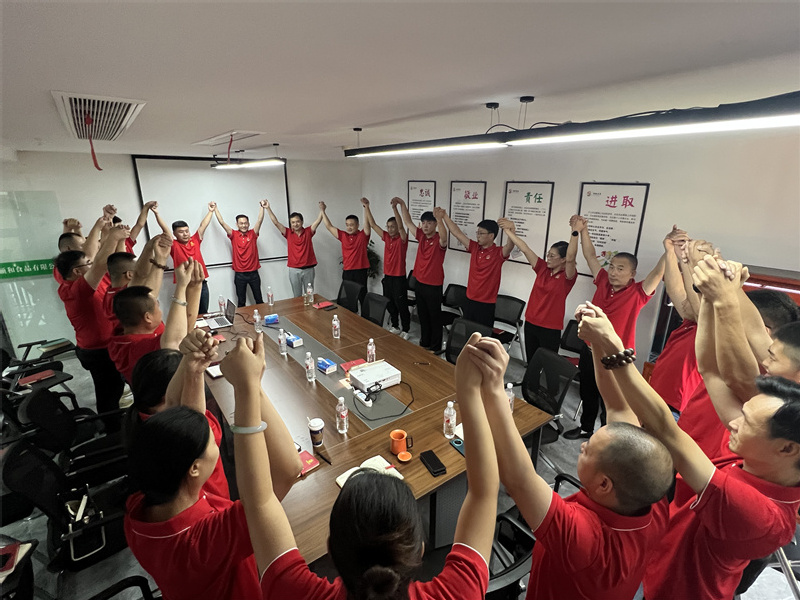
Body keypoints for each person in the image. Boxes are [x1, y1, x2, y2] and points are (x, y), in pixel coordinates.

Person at [222, 331, 498, 600]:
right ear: (421, 551)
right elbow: (483, 493)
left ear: (330, 552)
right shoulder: (458, 593)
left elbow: (259, 502)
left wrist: (248, 386)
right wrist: (469, 390)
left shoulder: (293, 592)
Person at [578, 298, 800, 600]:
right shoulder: (762, 460)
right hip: (658, 568)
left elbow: (665, 427)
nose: (733, 423)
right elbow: (709, 370)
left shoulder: (758, 513)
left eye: (745, 421)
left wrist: (614, 347)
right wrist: (710, 298)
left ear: (787, 449)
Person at [470, 335, 672, 600]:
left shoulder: (587, 541)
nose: (582, 446)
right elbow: (617, 406)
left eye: (588, 450)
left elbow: (519, 479)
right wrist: (596, 343)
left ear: (603, 484)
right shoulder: (652, 500)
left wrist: (494, 389)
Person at [124, 336, 302, 600]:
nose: (213, 431)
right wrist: (250, 386)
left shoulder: (145, 505)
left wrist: (193, 367)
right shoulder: (206, 540)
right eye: (210, 438)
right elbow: (288, 470)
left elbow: (179, 411)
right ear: (194, 468)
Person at [563, 216, 667, 440]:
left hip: (616, 355)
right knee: (588, 390)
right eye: (611, 266)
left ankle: (608, 435)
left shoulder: (638, 293)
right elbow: (590, 256)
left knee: (611, 399)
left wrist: (669, 250)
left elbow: (658, 273)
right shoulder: (602, 280)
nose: (613, 272)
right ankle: (586, 428)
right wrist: (583, 230)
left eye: (620, 269)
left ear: (632, 274)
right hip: (590, 349)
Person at [127, 330, 230, 499]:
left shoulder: (149, 423)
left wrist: (190, 365)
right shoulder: (182, 435)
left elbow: (180, 406)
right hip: (215, 500)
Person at [54, 223, 130, 420]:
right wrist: (113, 236)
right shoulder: (77, 290)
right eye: (87, 262)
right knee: (109, 394)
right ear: (76, 271)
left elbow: (109, 261)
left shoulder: (80, 283)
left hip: (104, 346)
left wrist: (116, 238)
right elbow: (100, 263)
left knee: (115, 387)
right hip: (98, 352)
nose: (91, 263)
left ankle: (115, 423)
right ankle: (112, 430)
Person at [108, 259, 202, 383]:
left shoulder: (126, 328)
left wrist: (195, 287)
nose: (161, 311)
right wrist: (181, 286)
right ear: (148, 317)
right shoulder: (136, 348)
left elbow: (184, 331)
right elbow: (176, 341)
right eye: (158, 305)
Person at [497, 217, 578, 360]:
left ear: (563, 259)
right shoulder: (542, 268)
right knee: (532, 361)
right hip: (531, 323)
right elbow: (525, 248)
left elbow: (571, 258)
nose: (548, 258)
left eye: (552, 256)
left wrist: (575, 232)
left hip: (550, 328)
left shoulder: (567, 276)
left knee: (547, 364)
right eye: (548, 254)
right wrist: (508, 231)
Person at [647, 226, 702, 418]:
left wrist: (686, 259)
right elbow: (676, 289)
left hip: (675, 408)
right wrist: (672, 253)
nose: (690, 300)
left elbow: (693, 297)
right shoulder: (691, 322)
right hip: (658, 396)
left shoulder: (713, 328)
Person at [440, 211, 515, 327]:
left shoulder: (498, 253)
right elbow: (457, 232)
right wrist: (444, 216)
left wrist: (511, 229)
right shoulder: (475, 247)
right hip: (469, 300)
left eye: (481, 233)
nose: (478, 236)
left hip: (486, 304)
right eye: (477, 233)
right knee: (468, 333)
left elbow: (510, 246)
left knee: (482, 335)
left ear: (491, 236)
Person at [397, 200, 448, 351]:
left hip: (433, 285)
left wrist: (440, 219)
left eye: (429, 223)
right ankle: (424, 343)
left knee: (434, 317)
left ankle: (435, 347)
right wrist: (402, 204)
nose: (425, 226)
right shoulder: (421, 236)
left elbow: (445, 237)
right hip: (419, 283)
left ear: (435, 225)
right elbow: (408, 222)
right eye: (424, 222)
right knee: (423, 316)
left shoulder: (439, 240)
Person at [153, 202, 216, 313]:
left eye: (187, 231)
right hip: (186, 285)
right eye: (181, 232)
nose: (185, 234)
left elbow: (203, 225)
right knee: (190, 313)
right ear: (175, 234)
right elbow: (165, 229)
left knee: (203, 312)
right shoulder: (174, 245)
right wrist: (157, 214)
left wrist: (210, 211)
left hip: (201, 283)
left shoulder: (195, 240)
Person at [363, 197, 410, 337]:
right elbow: (372, 224)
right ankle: (395, 325)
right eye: (388, 226)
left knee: (401, 305)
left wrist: (395, 208)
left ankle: (406, 329)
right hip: (388, 277)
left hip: (399, 278)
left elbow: (401, 227)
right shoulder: (386, 237)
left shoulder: (402, 239)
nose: (390, 229)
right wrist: (367, 206)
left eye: (392, 227)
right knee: (390, 303)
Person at [262, 198, 324, 297]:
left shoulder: (308, 232)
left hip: (308, 269)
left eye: (298, 221)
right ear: (291, 224)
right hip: (294, 270)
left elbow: (318, 221)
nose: (295, 224)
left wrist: (322, 210)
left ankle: (309, 308)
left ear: (302, 222)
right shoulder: (288, 233)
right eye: (293, 222)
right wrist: (268, 208)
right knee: (297, 296)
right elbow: (276, 222)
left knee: (309, 296)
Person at [213, 202, 266, 307]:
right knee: (241, 302)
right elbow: (222, 222)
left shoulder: (253, 234)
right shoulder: (234, 234)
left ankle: (263, 316)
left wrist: (262, 207)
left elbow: (259, 220)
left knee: (259, 300)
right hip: (240, 275)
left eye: (245, 223)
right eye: (241, 223)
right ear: (237, 224)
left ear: (248, 224)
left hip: (254, 274)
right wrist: (215, 209)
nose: (244, 225)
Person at [320, 199, 371, 293]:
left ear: (357, 225)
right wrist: (323, 211)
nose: (349, 227)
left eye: (351, 225)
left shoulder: (362, 236)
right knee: (349, 296)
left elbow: (367, 224)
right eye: (347, 225)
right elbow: (329, 226)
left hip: (360, 271)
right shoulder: (343, 236)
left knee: (362, 295)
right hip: (347, 271)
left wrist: (366, 207)